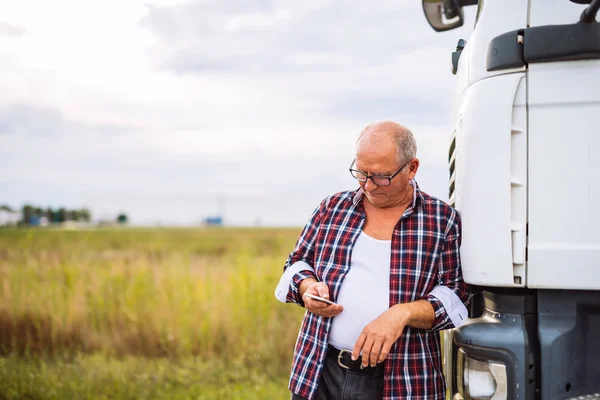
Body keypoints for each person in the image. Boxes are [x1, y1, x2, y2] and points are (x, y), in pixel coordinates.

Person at [274, 121, 469, 400]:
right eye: (361, 173)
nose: (368, 185)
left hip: (403, 380)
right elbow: (296, 263)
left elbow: (457, 296)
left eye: (380, 176)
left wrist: (401, 314)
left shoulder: (442, 220)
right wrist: (307, 287)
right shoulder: (332, 208)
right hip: (319, 370)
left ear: (412, 168)